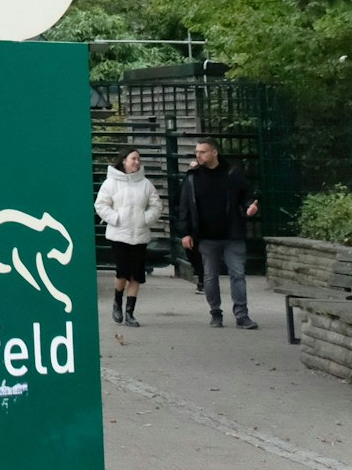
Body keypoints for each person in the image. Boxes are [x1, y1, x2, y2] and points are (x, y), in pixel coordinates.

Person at [178, 138, 260, 329]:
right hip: (206, 235)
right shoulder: (192, 177)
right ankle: (215, 312)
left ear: (214, 152)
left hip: (232, 233)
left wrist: (249, 206)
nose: (198, 155)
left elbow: (246, 195)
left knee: (238, 274)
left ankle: (242, 314)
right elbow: (184, 206)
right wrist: (185, 232)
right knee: (210, 276)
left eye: (202, 152)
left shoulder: (232, 173)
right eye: (197, 152)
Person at [95, 148, 163, 327]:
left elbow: (156, 205)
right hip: (119, 235)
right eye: (133, 159)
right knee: (123, 273)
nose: (137, 162)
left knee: (137, 275)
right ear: (124, 161)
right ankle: (117, 300)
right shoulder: (111, 183)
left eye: (138, 159)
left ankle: (130, 313)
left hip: (139, 236)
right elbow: (101, 205)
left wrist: (145, 219)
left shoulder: (145, 184)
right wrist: (116, 218)